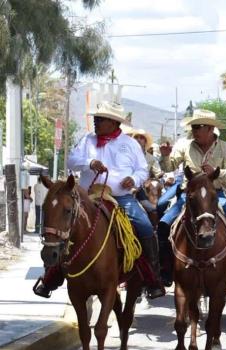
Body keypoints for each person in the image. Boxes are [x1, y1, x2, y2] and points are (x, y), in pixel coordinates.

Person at [34, 101, 164, 299]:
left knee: (145, 226)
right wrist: (89, 162)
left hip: (120, 197)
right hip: (88, 197)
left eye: (100, 119)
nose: (96, 122)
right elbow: (71, 161)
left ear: (113, 122)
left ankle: (152, 278)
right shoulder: (88, 140)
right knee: (62, 226)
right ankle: (51, 277)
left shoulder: (130, 144)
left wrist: (134, 179)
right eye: (96, 118)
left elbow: (142, 170)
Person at [158, 109, 226, 287]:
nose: (194, 130)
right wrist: (165, 156)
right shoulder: (185, 146)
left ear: (211, 129)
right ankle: (165, 269)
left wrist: (217, 173)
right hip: (189, 197)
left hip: (215, 195)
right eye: (194, 126)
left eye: (199, 126)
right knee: (164, 224)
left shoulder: (224, 147)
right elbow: (168, 167)